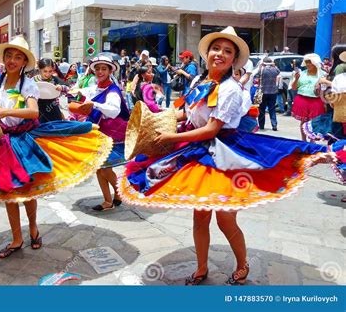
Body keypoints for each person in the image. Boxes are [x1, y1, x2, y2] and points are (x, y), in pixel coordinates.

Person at [118, 26, 334, 286]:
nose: (219, 54)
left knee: (225, 218)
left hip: (224, 154)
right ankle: (201, 268)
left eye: (227, 51)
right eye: (216, 49)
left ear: (234, 60)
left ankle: (242, 265)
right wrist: (157, 121)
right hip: (196, 150)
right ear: (207, 53)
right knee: (199, 216)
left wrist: (168, 138)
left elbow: (212, 128)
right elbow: (188, 113)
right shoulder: (199, 81)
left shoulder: (231, 89)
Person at [0, 36, 113, 259]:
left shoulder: (29, 85)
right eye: (9, 56)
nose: (12, 60)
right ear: (3, 59)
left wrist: (6, 112)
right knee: (8, 192)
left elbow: (33, 112)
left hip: (23, 140)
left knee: (27, 191)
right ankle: (17, 238)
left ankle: (33, 228)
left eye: (18, 57)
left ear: (24, 62)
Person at [69, 56, 130, 211]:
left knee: (104, 168)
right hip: (99, 132)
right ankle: (109, 200)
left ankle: (117, 194)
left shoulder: (113, 91)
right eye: (97, 69)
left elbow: (114, 111)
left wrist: (94, 104)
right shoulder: (98, 86)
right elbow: (85, 91)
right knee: (98, 167)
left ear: (110, 71)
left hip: (112, 135)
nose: (100, 72)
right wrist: (64, 89)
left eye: (104, 69)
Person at [292, 53, 326, 141]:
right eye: (306, 62)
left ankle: (312, 141)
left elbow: (326, 89)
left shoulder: (323, 75)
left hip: (316, 101)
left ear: (315, 63)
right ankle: (303, 140)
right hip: (302, 99)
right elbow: (294, 88)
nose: (308, 64)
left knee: (314, 123)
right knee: (303, 122)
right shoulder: (301, 74)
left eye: (310, 62)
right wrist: (296, 79)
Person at [33, 58, 69, 123]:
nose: (48, 74)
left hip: (53, 109)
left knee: (55, 129)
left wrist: (61, 87)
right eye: (45, 71)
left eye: (50, 71)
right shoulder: (34, 80)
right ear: (40, 69)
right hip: (39, 109)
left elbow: (68, 89)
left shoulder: (55, 79)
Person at [258, 57, 281, 131]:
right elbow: (278, 71)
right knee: (272, 109)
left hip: (263, 92)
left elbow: (257, 74)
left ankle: (261, 125)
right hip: (273, 92)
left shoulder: (262, 69)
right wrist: (274, 65)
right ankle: (274, 125)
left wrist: (260, 66)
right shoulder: (275, 70)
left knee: (262, 109)